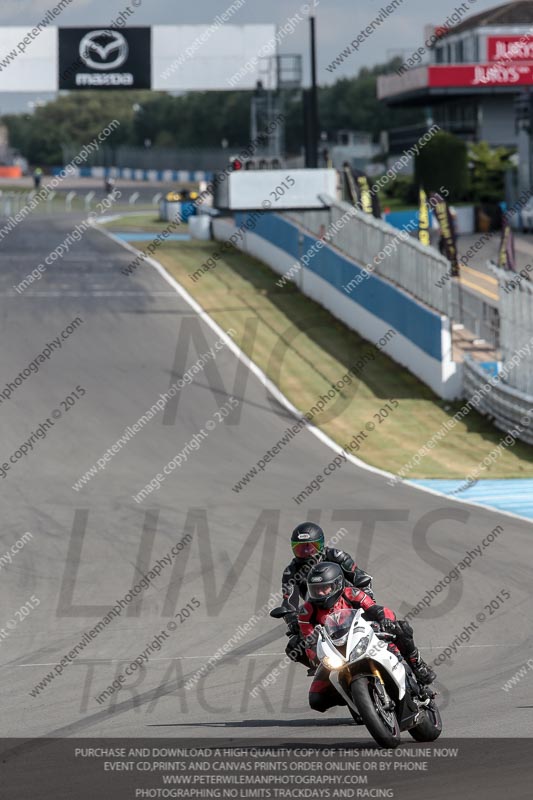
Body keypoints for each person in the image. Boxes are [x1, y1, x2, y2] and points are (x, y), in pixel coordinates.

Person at [299, 562, 436, 713]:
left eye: (324, 588)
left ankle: (418, 665)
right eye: (315, 590)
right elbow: (309, 639)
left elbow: (376, 608)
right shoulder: (306, 611)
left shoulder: (351, 593)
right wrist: (316, 656)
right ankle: (358, 701)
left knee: (401, 627)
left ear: (337, 584)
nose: (320, 594)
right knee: (316, 700)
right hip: (336, 652)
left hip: (365, 635)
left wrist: (386, 620)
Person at [281, 523, 373, 668]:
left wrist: (367, 601)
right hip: (319, 615)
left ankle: (407, 661)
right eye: (300, 548)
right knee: (294, 647)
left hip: (349, 606)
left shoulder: (337, 556)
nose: (306, 552)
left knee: (390, 627)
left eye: (310, 547)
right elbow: (289, 601)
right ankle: (320, 667)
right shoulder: (291, 572)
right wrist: (293, 623)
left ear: (321, 544)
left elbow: (361, 577)